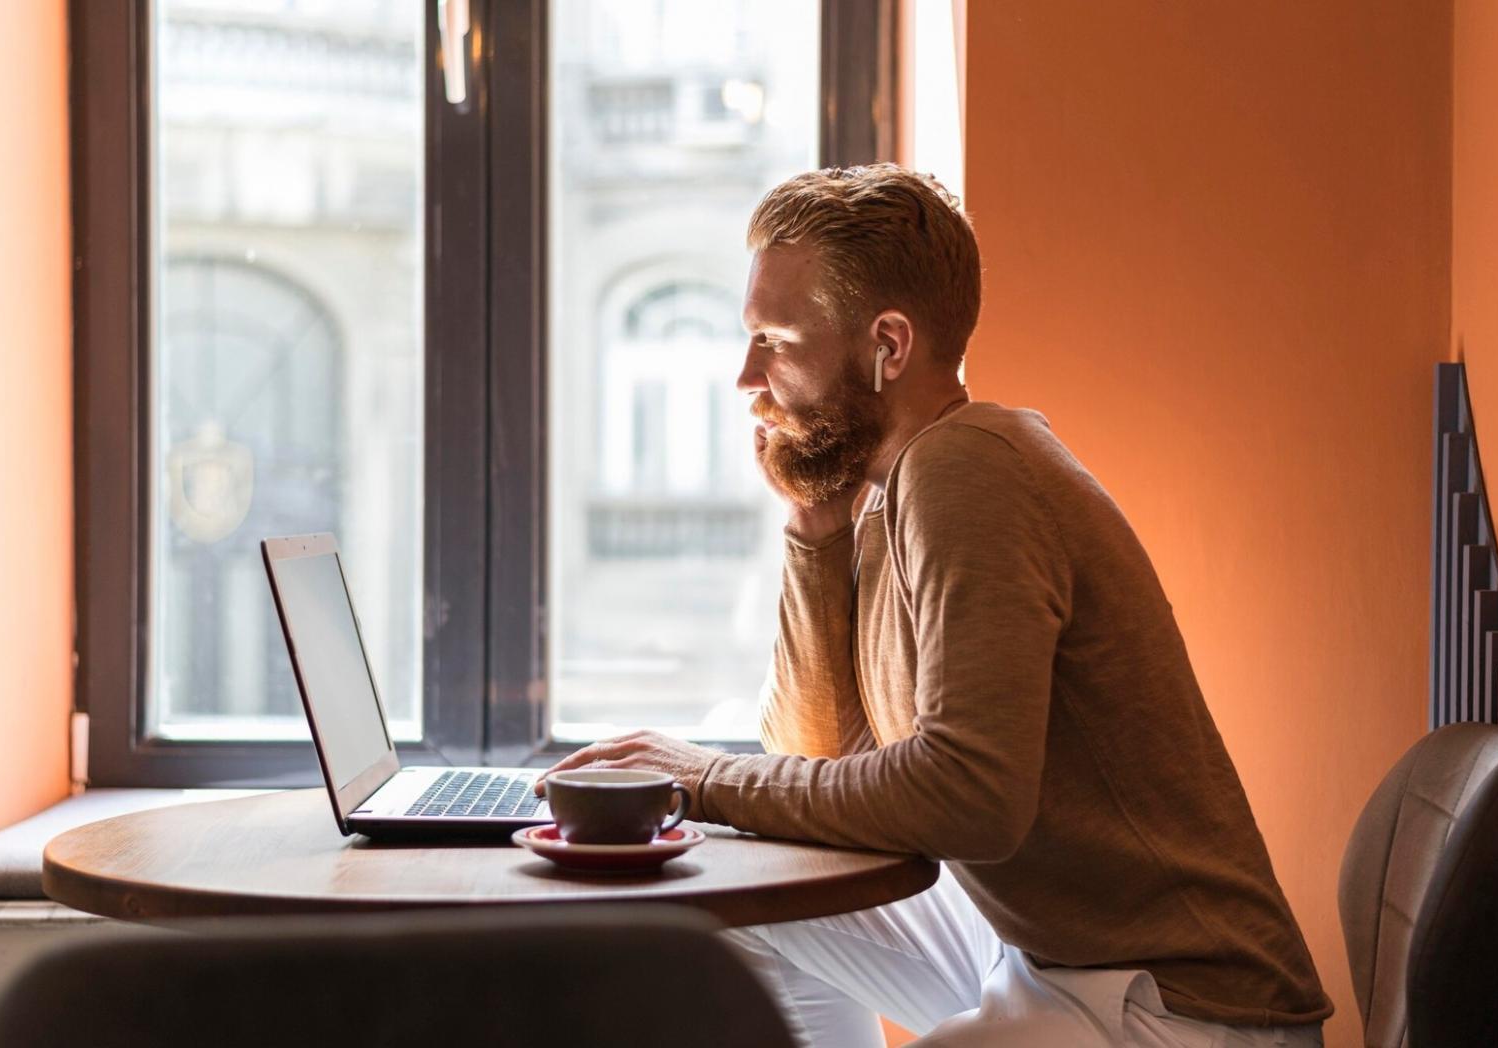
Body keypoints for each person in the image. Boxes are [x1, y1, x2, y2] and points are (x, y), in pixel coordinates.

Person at [540, 164, 1332, 1047]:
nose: (745, 378)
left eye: (775, 340)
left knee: (726, 826)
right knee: (736, 899)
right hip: (1040, 956)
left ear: (886, 345)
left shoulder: (969, 468)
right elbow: (811, 757)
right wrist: (814, 529)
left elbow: (968, 799)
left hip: (1175, 1009)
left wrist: (707, 778)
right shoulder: (891, 491)